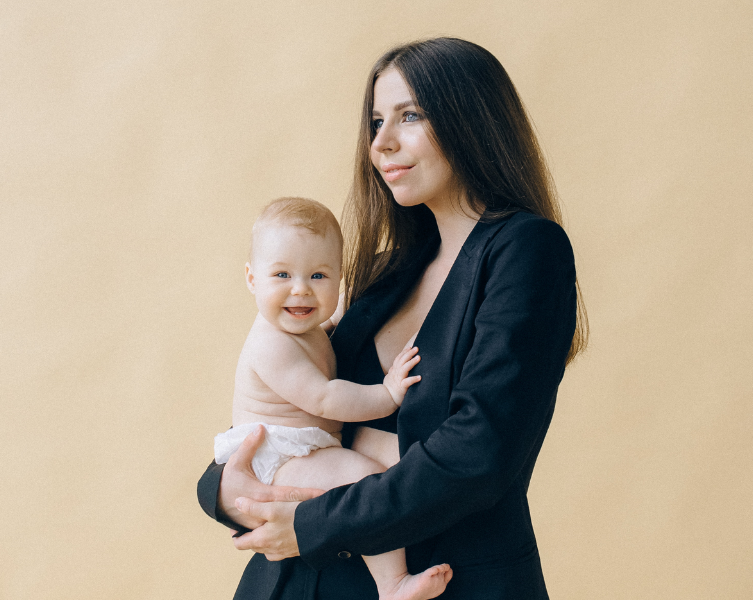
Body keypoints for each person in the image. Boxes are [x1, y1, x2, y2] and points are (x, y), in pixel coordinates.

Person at [198, 37, 588, 600]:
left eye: (410, 116)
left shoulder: (526, 249)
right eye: (376, 121)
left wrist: (311, 523)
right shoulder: (387, 268)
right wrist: (221, 491)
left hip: (451, 582)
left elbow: (479, 454)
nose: (381, 142)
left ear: (470, 119)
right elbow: (289, 411)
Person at [214, 196, 452, 600]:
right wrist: (388, 393)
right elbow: (324, 399)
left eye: (318, 276)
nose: (301, 290)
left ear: (339, 278)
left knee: (367, 483)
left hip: (302, 450)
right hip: (281, 459)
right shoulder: (271, 345)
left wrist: (342, 317)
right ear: (252, 279)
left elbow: (328, 332)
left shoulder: (306, 328)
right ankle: (392, 584)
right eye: (282, 274)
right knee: (364, 482)